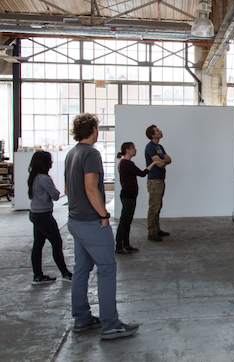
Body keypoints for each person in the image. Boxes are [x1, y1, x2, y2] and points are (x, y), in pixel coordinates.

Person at [64, 113, 139, 340]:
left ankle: (82, 318)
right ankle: (110, 324)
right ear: (94, 130)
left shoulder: (71, 153)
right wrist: (104, 214)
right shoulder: (91, 154)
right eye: (97, 128)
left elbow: (69, 190)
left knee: (81, 269)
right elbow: (91, 188)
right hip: (91, 222)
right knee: (106, 269)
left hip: (75, 220)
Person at [28, 151, 72, 284]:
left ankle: (38, 275)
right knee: (57, 243)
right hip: (44, 215)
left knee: (38, 245)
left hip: (35, 214)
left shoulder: (34, 177)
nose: (51, 163)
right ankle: (65, 273)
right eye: (50, 161)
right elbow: (56, 195)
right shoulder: (44, 179)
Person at [115, 142, 160, 254]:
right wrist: (153, 162)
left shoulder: (126, 163)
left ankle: (125, 244)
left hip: (129, 195)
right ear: (127, 150)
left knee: (127, 220)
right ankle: (119, 246)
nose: (135, 150)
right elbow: (142, 173)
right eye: (133, 148)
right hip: (128, 195)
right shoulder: (126, 163)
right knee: (125, 221)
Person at [145, 125, 172, 242]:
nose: (160, 131)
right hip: (154, 180)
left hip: (160, 179)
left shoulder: (159, 147)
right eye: (157, 131)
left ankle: (157, 229)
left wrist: (162, 161)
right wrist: (162, 162)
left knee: (158, 205)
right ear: (152, 135)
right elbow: (160, 163)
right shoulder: (150, 147)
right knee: (154, 207)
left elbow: (168, 159)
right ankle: (151, 232)